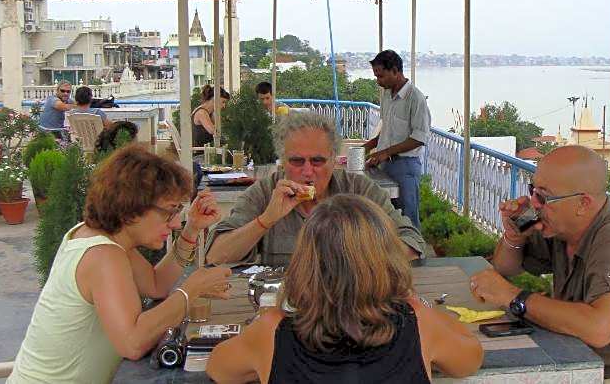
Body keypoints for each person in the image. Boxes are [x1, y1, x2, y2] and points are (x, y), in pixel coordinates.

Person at [8, 145, 231, 384]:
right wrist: (191, 290)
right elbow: (132, 343)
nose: (176, 222)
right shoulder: (103, 255)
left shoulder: (98, 237)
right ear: (132, 207)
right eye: (169, 211)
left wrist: (192, 229)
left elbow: (156, 285)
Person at [206, 194, 483, 383]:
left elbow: (218, 368)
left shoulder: (272, 330)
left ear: (306, 262)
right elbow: (470, 358)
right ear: (386, 260)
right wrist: (427, 310)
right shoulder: (417, 322)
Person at [469, 146, 610, 379]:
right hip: (580, 361)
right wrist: (514, 236)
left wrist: (513, 296)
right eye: (533, 191)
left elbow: (599, 328)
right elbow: (505, 268)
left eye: (543, 196)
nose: (534, 204)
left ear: (583, 203)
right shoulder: (563, 227)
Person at [206, 111, 426, 267]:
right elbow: (216, 255)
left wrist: (359, 254)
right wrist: (266, 220)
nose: (308, 171)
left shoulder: (358, 190)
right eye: (297, 161)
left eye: (318, 161)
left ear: (333, 160)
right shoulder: (264, 193)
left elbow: (412, 242)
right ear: (282, 161)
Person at [363, 50, 431, 229]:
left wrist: (386, 152)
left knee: (407, 217)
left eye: (381, 76)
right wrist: (368, 147)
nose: (378, 81)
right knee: (388, 215)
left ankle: (414, 254)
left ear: (395, 70)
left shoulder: (415, 98)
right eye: (376, 76)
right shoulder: (386, 95)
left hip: (406, 166)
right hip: (386, 164)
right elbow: (387, 130)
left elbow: (419, 138)